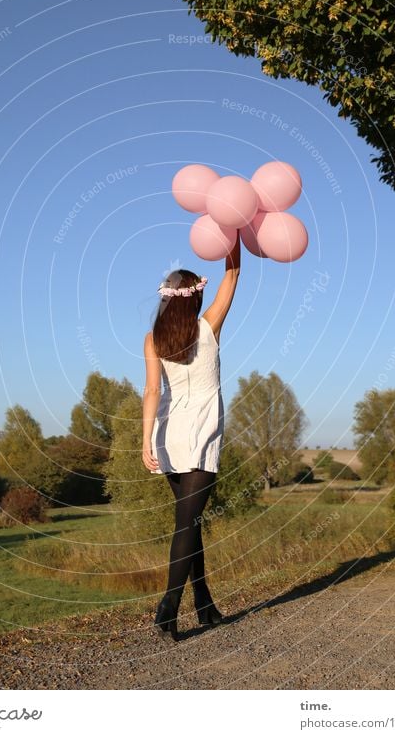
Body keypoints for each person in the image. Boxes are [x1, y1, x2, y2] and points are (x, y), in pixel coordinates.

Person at [142, 231, 241, 640]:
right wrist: (234, 234)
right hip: (201, 432)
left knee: (190, 522)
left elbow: (151, 391)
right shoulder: (209, 326)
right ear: (196, 298)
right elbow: (232, 276)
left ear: (167, 298)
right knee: (188, 524)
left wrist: (145, 440)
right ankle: (168, 606)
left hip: (169, 434)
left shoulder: (154, 338)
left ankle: (204, 604)